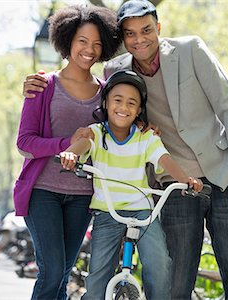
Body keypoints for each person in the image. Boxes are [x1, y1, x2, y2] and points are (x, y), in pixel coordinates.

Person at [23, 1, 228, 298]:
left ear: (158, 28)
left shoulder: (190, 50)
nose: (139, 39)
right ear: (122, 37)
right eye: (130, 34)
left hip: (223, 173)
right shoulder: (114, 70)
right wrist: (40, 82)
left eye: (146, 30)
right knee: (174, 284)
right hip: (174, 185)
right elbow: (99, 110)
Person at [59, 70, 204, 299]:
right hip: (108, 212)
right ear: (106, 102)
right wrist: (69, 154)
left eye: (131, 103)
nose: (123, 107)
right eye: (117, 100)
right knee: (98, 275)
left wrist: (185, 180)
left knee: (159, 263)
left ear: (138, 110)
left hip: (143, 211)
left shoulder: (145, 137)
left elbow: (164, 159)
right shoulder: (96, 133)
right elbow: (82, 145)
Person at [13, 5, 122, 300]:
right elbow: (25, 143)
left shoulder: (106, 92)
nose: (90, 49)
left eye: (98, 43)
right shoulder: (44, 85)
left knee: (63, 273)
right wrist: (66, 143)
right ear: (68, 41)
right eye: (83, 41)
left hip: (83, 195)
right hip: (42, 191)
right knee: (52, 270)